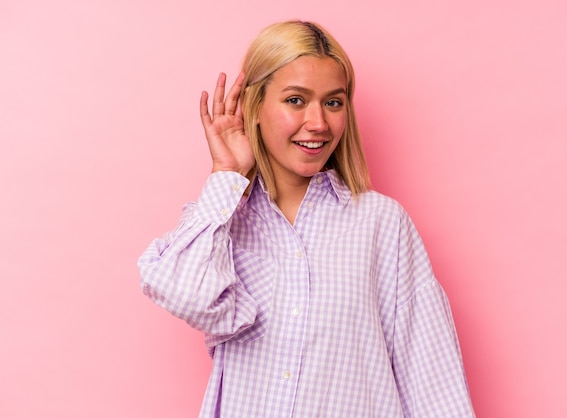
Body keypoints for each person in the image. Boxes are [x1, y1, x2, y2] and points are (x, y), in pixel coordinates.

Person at [138, 20, 475, 417]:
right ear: (254, 107)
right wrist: (226, 175)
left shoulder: (380, 224)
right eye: (296, 100)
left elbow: (433, 380)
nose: (318, 123)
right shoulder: (222, 223)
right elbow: (182, 294)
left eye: (333, 102)